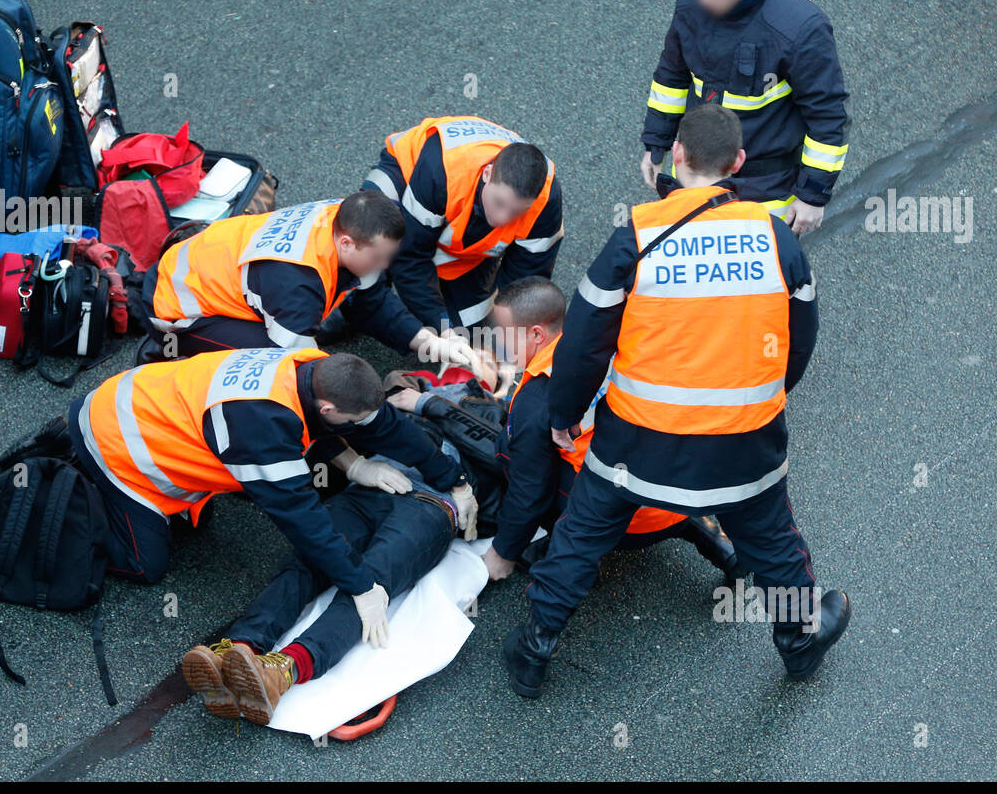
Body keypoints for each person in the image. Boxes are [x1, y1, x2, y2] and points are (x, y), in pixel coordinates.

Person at [502, 105, 848, 699]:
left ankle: (534, 647)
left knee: (582, 534)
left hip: (638, 443)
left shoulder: (635, 236)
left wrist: (564, 416)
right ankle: (799, 640)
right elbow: (801, 339)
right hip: (742, 442)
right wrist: (760, 397)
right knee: (771, 538)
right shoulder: (776, 242)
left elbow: (583, 340)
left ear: (677, 154)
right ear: (738, 163)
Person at [69, 347, 478, 587]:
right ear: (328, 408)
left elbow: (383, 426)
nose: (360, 429)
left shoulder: (313, 367)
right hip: (114, 443)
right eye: (351, 422)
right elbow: (302, 518)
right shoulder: (262, 425)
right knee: (147, 564)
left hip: (146, 402)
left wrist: (452, 480)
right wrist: (360, 585)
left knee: (197, 524)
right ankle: (77, 496)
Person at [181, 443, 485, 724]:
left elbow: (522, 482)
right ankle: (237, 650)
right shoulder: (404, 390)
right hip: (370, 486)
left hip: (432, 503)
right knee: (307, 561)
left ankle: (281, 672)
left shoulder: (491, 417)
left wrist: (503, 552)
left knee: (371, 586)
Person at [477, 276, 745, 584]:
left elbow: (529, 490)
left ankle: (556, 548)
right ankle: (723, 547)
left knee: (512, 450)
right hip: (685, 490)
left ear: (536, 334)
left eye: (503, 334)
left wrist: (504, 552)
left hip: (624, 521)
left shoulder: (538, 395)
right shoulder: (613, 337)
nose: (497, 341)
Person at [639, 0, 849, 235]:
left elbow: (828, 115)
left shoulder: (799, 28)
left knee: (761, 279)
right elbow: (672, 76)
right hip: (697, 174)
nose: (703, 1)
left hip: (765, 187)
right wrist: (656, 143)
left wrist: (812, 196)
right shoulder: (692, 2)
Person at [140, 191, 474, 365]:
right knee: (272, 368)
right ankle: (167, 349)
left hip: (206, 269)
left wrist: (428, 342)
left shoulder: (343, 217)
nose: (385, 266)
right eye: (378, 258)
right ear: (346, 243)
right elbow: (305, 370)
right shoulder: (298, 285)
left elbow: (372, 301)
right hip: (176, 305)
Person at [362, 115, 564, 331]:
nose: (502, 219)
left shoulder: (545, 201)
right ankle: (353, 309)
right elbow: (410, 257)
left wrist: (510, 341)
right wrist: (443, 328)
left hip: (461, 228)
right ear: (487, 174)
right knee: (371, 240)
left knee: (475, 333)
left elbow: (525, 283)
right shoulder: (441, 172)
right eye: (499, 203)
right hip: (407, 173)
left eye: (517, 211)